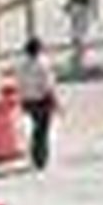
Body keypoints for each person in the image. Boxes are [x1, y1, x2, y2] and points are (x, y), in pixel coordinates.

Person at [17, 37, 59, 171]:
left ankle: (37, 154)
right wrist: (54, 100)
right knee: (43, 129)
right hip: (42, 100)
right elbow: (48, 84)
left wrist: (22, 98)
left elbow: (19, 83)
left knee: (36, 126)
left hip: (28, 100)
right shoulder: (43, 63)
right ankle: (40, 156)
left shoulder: (21, 65)